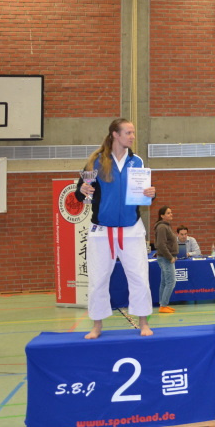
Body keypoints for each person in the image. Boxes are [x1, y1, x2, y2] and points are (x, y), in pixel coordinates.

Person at [76, 118, 156, 339]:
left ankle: (143, 323)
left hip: (131, 229)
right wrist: (82, 190)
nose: (132, 136)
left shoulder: (136, 161)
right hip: (102, 231)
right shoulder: (96, 162)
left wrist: (151, 194)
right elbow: (81, 192)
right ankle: (97, 326)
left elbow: (143, 193)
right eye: (128, 132)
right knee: (98, 280)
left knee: (139, 277)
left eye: (133, 132)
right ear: (115, 134)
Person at [154, 206, 178, 313]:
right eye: (168, 213)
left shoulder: (166, 226)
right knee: (171, 282)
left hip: (165, 258)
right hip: (165, 258)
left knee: (164, 282)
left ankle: (163, 304)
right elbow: (161, 244)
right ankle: (163, 305)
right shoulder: (162, 227)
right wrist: (170, 257)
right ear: (162, 216)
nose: (171, 214)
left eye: (171, 212)